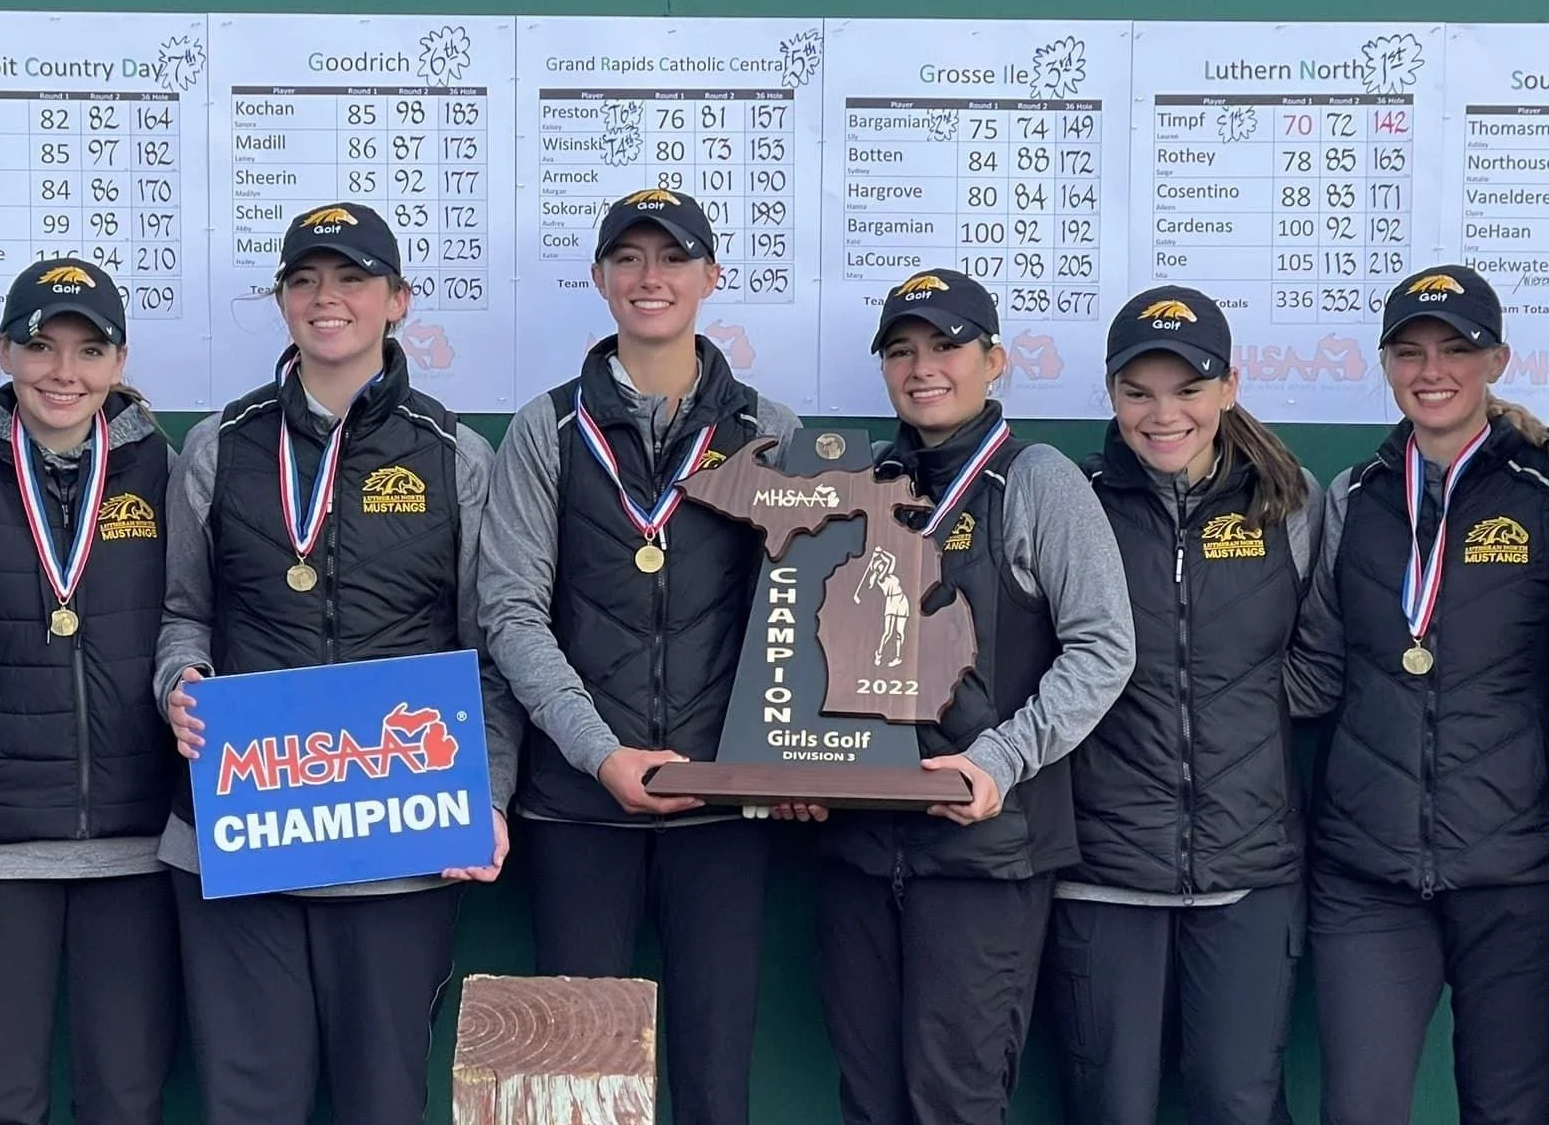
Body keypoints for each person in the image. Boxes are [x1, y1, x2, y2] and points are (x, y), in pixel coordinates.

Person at [155, 202, 519, 1123]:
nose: (328, 300)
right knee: (251, 1101)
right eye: (305, 280)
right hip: (241, 835)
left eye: (352, 279)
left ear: (397, 300)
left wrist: (492, 792)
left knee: (383, 1099)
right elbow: (183, 613)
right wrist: (179, 683)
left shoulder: (456, 457)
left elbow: (491, 650)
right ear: (281, 301)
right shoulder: (219, 445)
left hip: (401, 837)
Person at [477, 188, 800, 1125]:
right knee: (577, 1085)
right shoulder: (547, 429)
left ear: (712, 277)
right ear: (599, 278)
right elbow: (510, 614)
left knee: (714, 1082)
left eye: (672, 258)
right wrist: (600, 753)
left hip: (724, 808)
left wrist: (787, 758)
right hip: (580, 806)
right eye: (628, 258)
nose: (649, 277)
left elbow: (797, 618)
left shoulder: (766, 430)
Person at [815, 268, 1135, 1125]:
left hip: (984, 855)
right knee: (870, 1101)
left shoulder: (1038, 481)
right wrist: (793, 760)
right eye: (902, 350)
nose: (925, 367)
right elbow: (805, 648)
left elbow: (1105, 648)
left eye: (947, 346)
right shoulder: (858, 484)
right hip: (859, 846)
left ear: (994, 360)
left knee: (953, 1101)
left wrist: (1000, 756)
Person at [1287, 264, 1549, 1124]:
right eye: (1409, 351)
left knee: (1508, 1108)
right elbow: (1317, 666)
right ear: (1384, 363)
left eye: (1456, 349)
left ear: (1497, 359)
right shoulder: (1352, 498)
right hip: (1367, 872)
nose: (1432, 369)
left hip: (1518, 870)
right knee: (1361, 1108)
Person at [0, 257, 179, 1125]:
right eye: (40, 346)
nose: (64, 372)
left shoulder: (167, 473)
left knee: (127, 1099)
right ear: (2, 352)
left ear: (120, 362)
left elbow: (200, 621)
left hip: (140, 839)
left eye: (89, 350)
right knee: (1, 1099)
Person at [1051, 285, 1320, 1125]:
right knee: (1111, 1110)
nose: (1162, 414)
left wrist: (1229, 721)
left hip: (1249, 870)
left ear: (1229, 387)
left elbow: (1321, 665)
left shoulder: (1291, 501)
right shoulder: (1075, 499)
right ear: (1112, 394)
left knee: (1237, 1104)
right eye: (1138, 392)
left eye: (1188, 389)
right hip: (1103, 873)